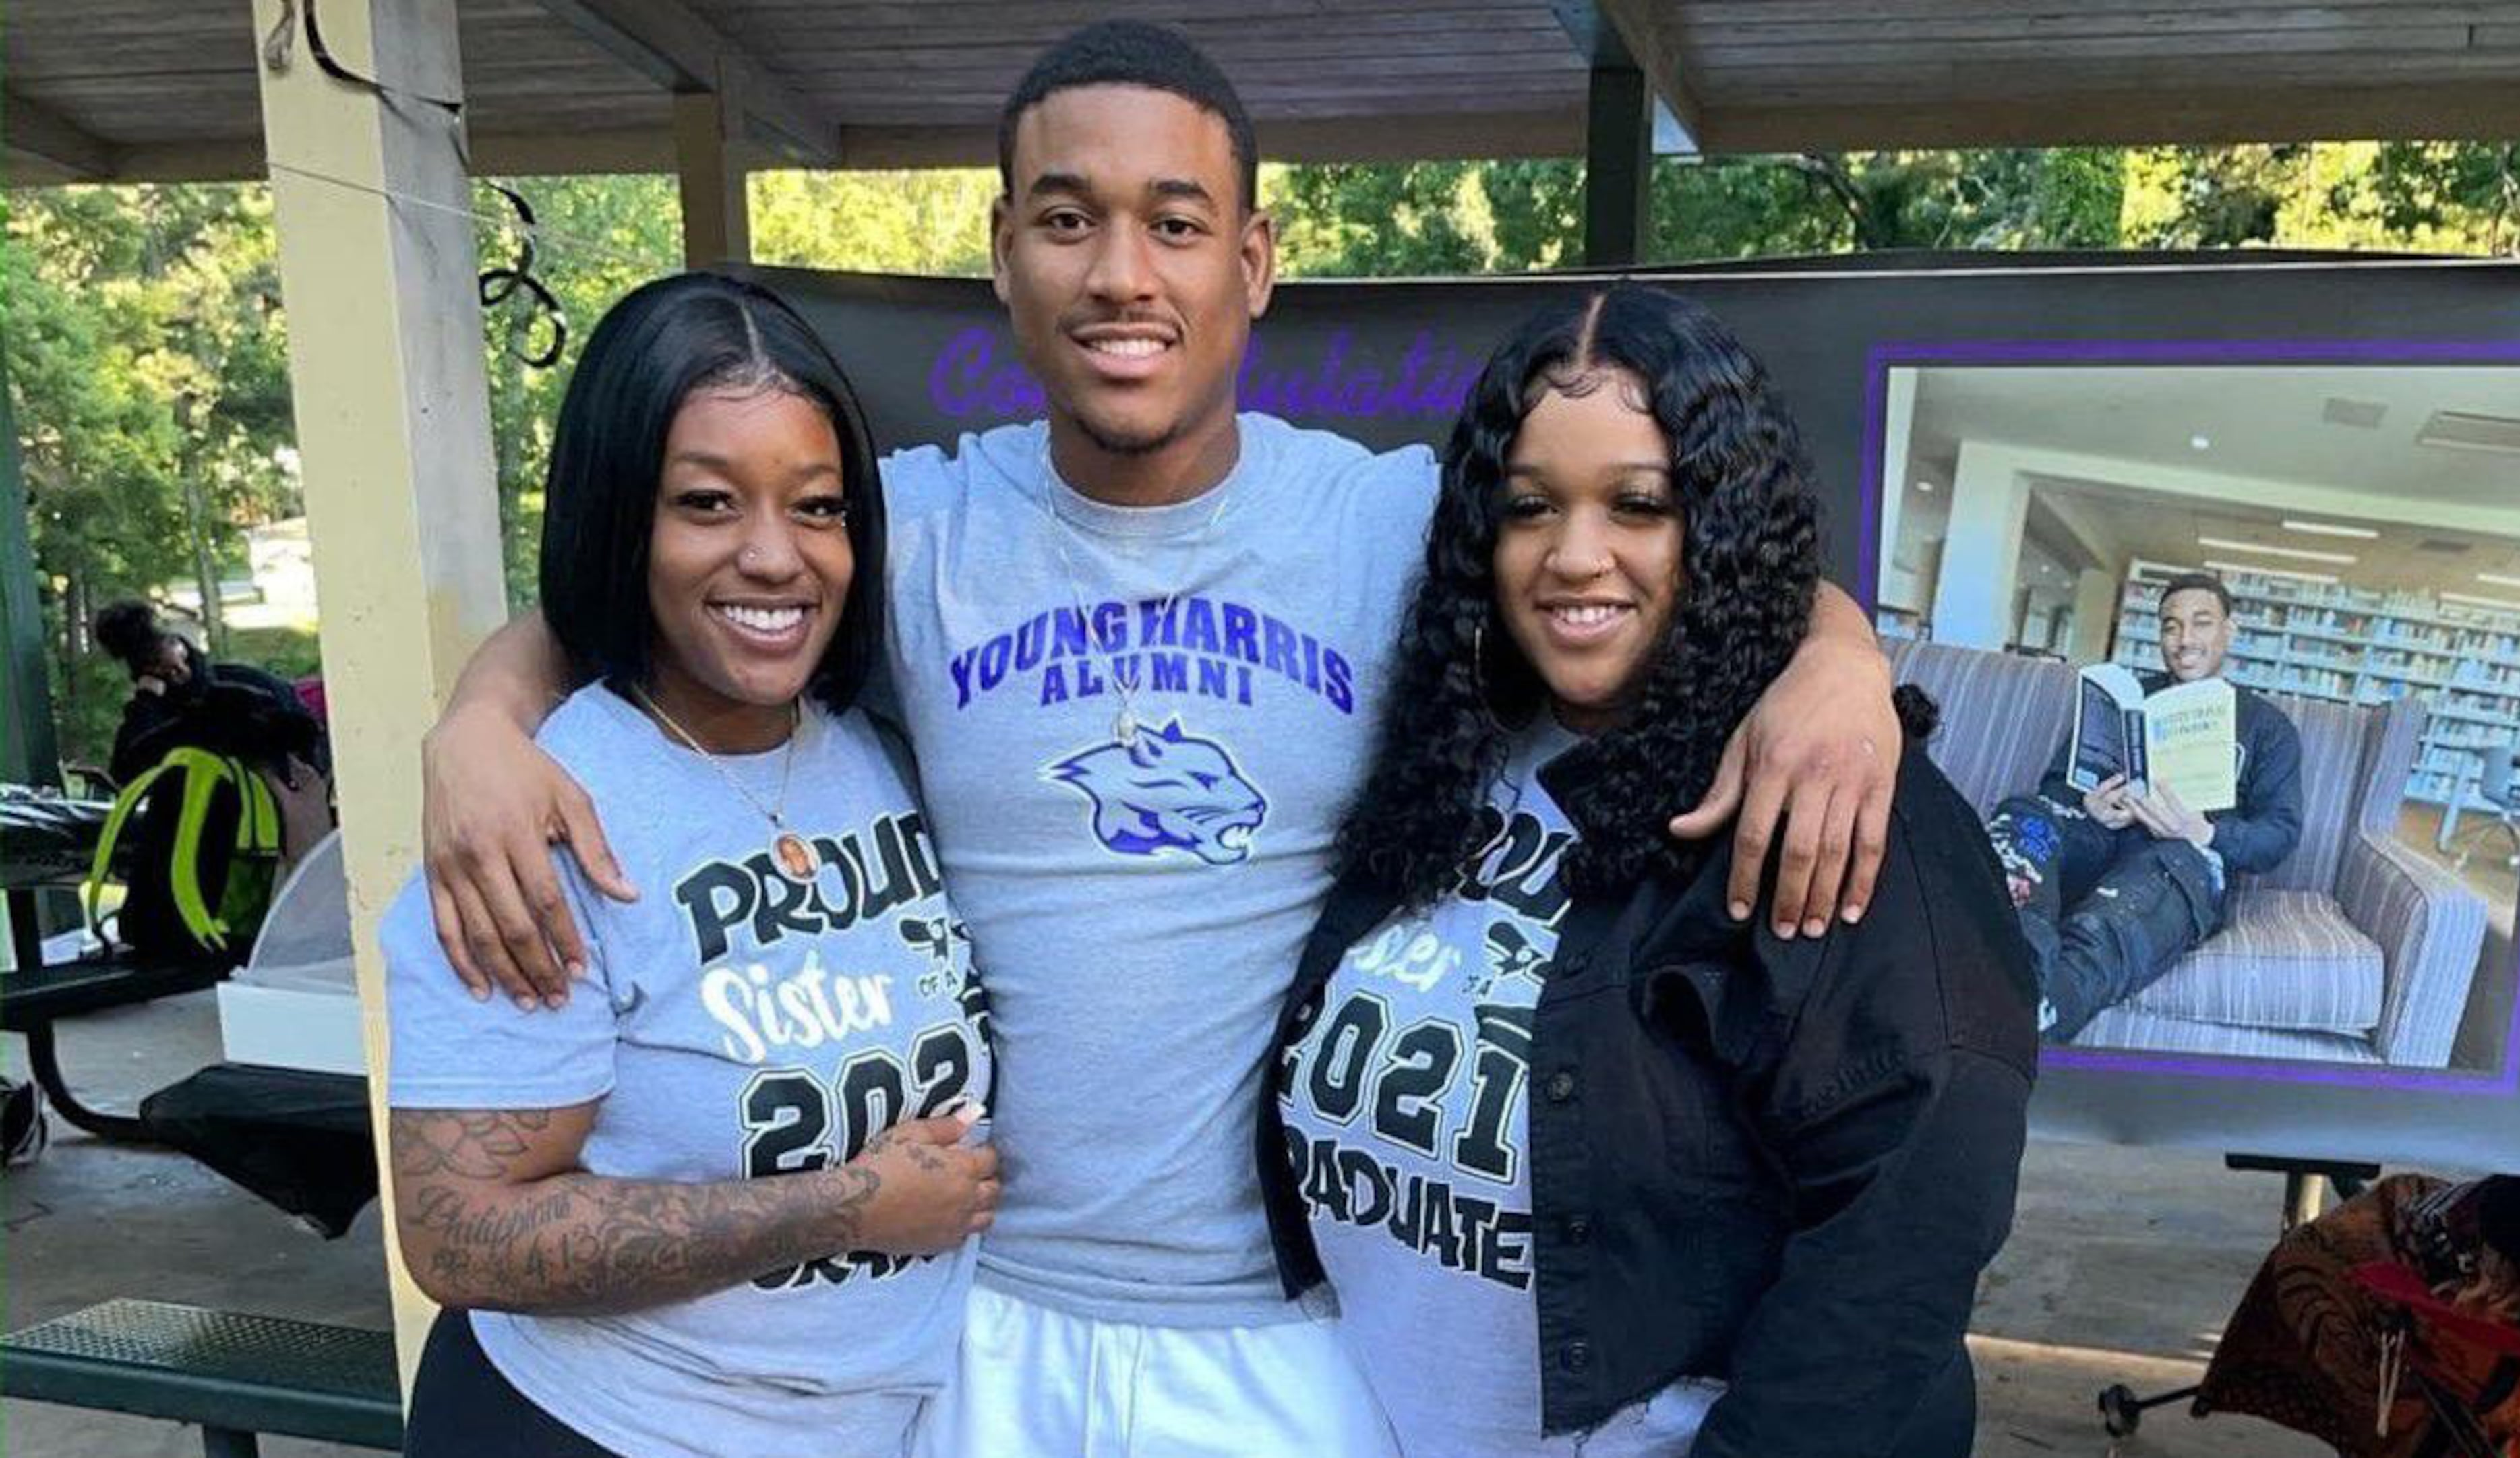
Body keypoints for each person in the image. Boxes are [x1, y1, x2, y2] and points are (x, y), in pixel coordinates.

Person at [417, 24, 1904, 1454]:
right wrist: (481, 722)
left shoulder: (1381, 524)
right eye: (1069, 219)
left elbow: (1654, 569)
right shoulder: (908, 527)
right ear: (1003, 252)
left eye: (1175, 223)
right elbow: (658, 583)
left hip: (1284, 1326)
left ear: (1252, 262)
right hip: (978, 1313)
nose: (1121, 273)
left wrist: (1838, 663)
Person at [1259, 284, 2035, 1458]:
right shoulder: (1460, 745)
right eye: (1530, 507)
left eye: (1640, 504)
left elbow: (1896, 1260)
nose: (1576, 556)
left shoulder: (1831, 803)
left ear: (1718, 522)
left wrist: (1835, 653)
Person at [378, 273, 999, 1458]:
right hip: (594, 1427)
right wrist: (848, 1205)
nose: (777, 557)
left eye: (817, 508)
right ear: (625, 520)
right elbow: (460, 1230)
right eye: (708, 503)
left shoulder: (879, 741)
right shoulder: (542, 817)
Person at [1987, 572, 2304, 1043]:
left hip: (2180, 858)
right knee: (2026, 813)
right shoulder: (2126, 701)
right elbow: (2057, 785)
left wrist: (2205, 834)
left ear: (2229, 631)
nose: (2184, 640)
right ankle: (2005, 962)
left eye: (2201, 623)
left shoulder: (2268, 727)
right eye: (2170, 626)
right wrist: (2087, 804)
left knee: (2110, 922)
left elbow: (2280, 832)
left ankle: (2030, 1017)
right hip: (2099, 836)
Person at [92, 598, 322, 784]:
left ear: (179, 646)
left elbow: (308, 742)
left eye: (176, 662)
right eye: (158, 668)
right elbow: (125, 772)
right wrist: (146, 702)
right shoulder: (151, 717)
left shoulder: (249, 686)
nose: (177, 672)